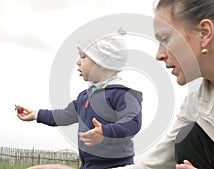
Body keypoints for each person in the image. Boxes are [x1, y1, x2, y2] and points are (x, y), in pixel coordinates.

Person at [114, 0, 214, 169]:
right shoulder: (197, 103)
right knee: (187, 139)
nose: (159, 55)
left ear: (204, 33)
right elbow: (152, 165)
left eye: (165, 39)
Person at [17, 32, 143, 169]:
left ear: (102, 62)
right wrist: (37, 114)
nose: (78, 61)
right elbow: (64, 115)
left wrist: (105, 132)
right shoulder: (85, 96)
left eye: (83, 56)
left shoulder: (123, 94)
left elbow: (132, 122)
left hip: (116, 166)